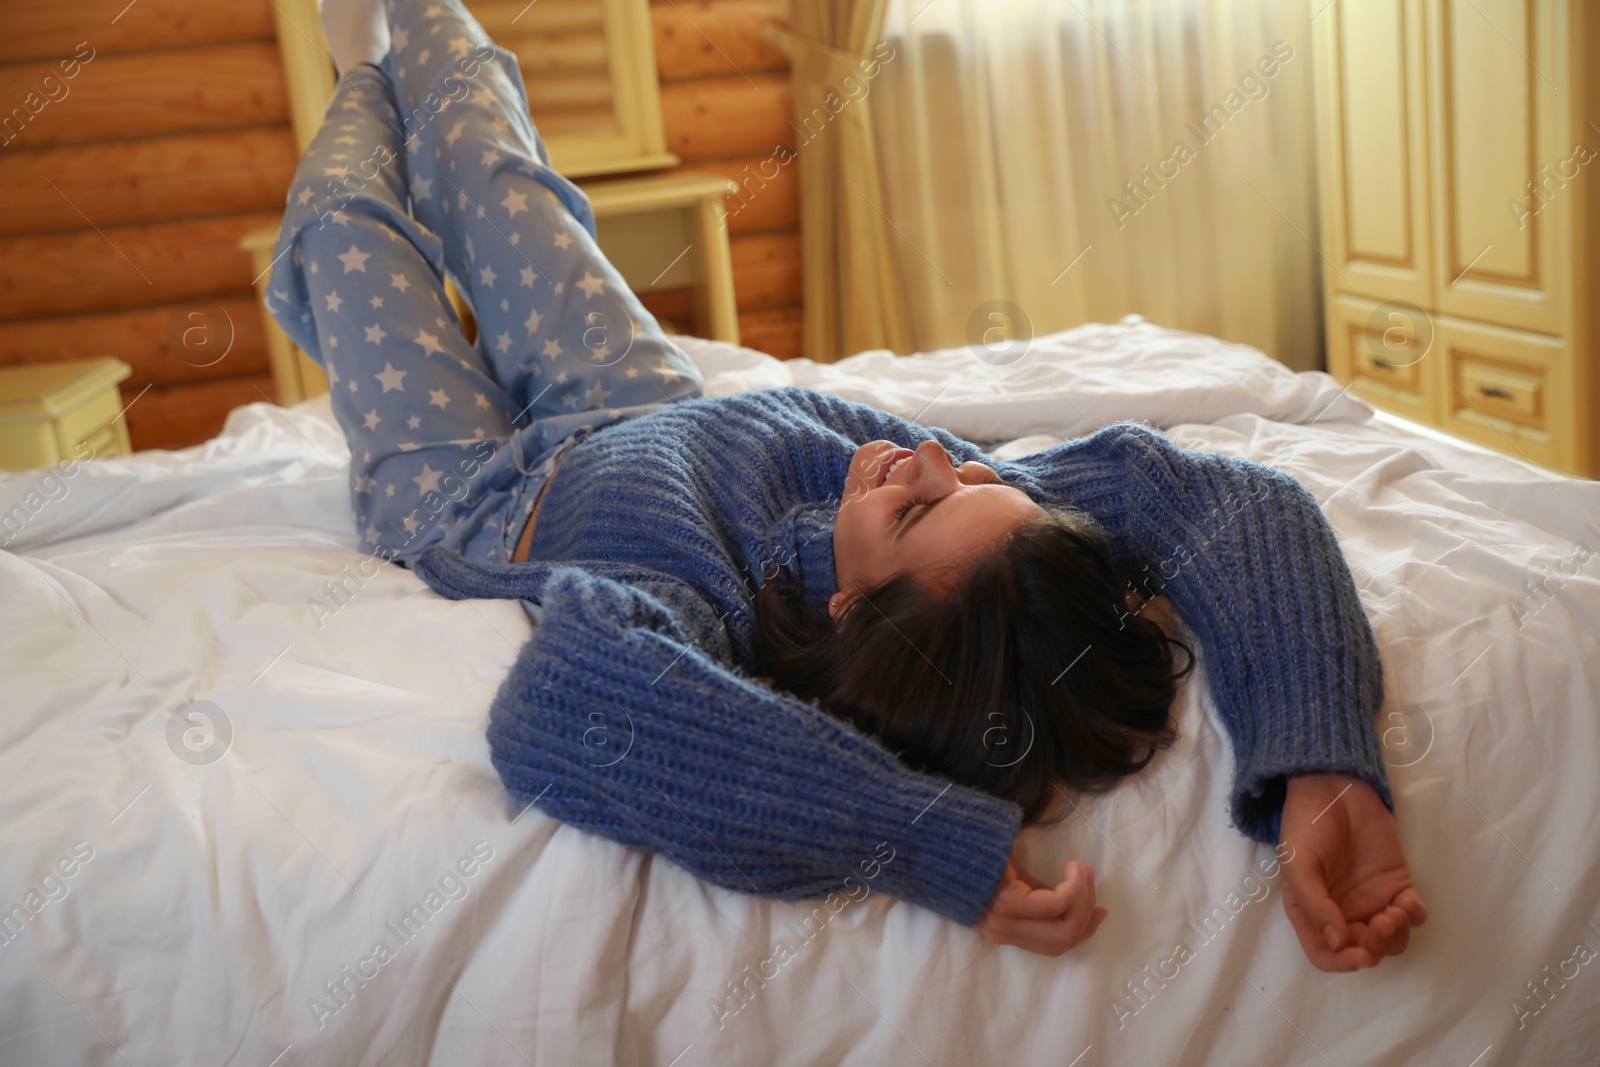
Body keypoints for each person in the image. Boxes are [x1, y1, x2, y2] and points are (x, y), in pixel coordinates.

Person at [270, 0, 1426, 972]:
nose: (929, 459)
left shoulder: (708, 616)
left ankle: (359, 84)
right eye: (968, 473)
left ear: (851, 610)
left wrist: (919, 836)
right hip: (630, 398)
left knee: (346, 231)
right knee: (495, 170)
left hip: (471, 496)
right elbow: (1216, 495)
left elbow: (561, 711)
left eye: (916, 508)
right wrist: (1321, 752)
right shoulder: (986, 528)